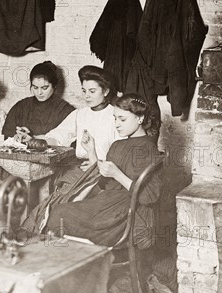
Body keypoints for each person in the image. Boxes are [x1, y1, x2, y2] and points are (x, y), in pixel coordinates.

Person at [44, 93, 162, 246]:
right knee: (59, 209)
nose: (117, 124)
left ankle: (76, 262)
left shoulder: (147, 148)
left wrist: (117, 174)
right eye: (115, 118)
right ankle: (73, 261)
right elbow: (104, 182)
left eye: (122, 119)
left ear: (140, 119)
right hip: (108, 202)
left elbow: (149, 196)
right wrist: (91, 152)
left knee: (60, 215)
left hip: (125, 211)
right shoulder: (117, 145)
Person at [28, 65, 119, 193]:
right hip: (80, 168)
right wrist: (39, 142)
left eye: (92, 91)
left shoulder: (116, 116)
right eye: (84, 91)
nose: (86, 96)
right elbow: (60, 135)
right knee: (58, 195)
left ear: (105, 91)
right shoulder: (80, 114)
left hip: (105, 174)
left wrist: (98, 164)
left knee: (68, 200)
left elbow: (122, 152)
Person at [2, 61, 75, 140]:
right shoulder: (21, 107)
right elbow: (5, 136)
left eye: (44, 88)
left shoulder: (66, 110)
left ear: (54, 86)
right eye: (35, 87)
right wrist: (17, 136)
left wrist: (33, 138)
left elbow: (68, 143)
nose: (39, 93)